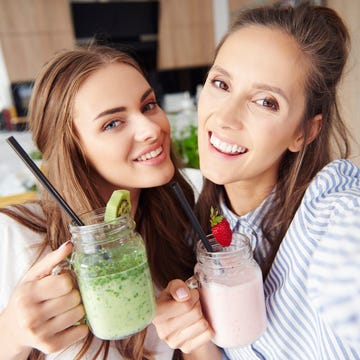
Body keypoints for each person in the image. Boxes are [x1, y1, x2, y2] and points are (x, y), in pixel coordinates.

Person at [152, 2, 360, 359]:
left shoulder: (333, 215)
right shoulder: (197, 227)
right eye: (221, 83)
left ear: (304, 132)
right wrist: (196, 338)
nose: (226, 117)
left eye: (266, 102)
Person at [0, 44, 198, 360]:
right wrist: (8, 336)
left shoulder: (184, 215)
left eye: (148, 105)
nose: (152, 129)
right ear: (72, 149)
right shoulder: (15, 235)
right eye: (112, 123)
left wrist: (197, 342)